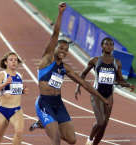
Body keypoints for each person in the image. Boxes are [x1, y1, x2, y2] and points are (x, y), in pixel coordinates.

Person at [29, 2, 109, 145]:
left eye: (66, 50)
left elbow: (84, 83)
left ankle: (44, 124)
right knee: (56, 140)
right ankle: (46, 123)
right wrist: (60, 13)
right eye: (61, 48)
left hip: (58, 103)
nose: (63, 51)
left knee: (72, 140)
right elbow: (55, 34)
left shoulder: (65, 68)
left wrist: (103, 99)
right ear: (54, 48)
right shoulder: (47, 59)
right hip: (44, 103)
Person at [75, 37, 135, 145]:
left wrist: (128, 85)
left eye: (111, 44)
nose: (109, 46)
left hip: (109, 96)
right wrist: (78, 86)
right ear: (102, 46)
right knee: (100, 121)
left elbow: (119, 80)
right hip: (96, 94)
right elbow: (83, 74)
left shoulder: (117, 63)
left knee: (104, 126)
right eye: (106, 44)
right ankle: (89, 140)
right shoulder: (95, 60)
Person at [0, 52, 28, 145]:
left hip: (16, 110)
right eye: (11, 60)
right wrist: (5, 83)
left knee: (19, 133)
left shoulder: (19, 75)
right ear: (6, 62)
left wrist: (22, 91)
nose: (14, 62)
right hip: (3, 110)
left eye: (15, 60)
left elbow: (13, 91)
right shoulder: (2, 75)